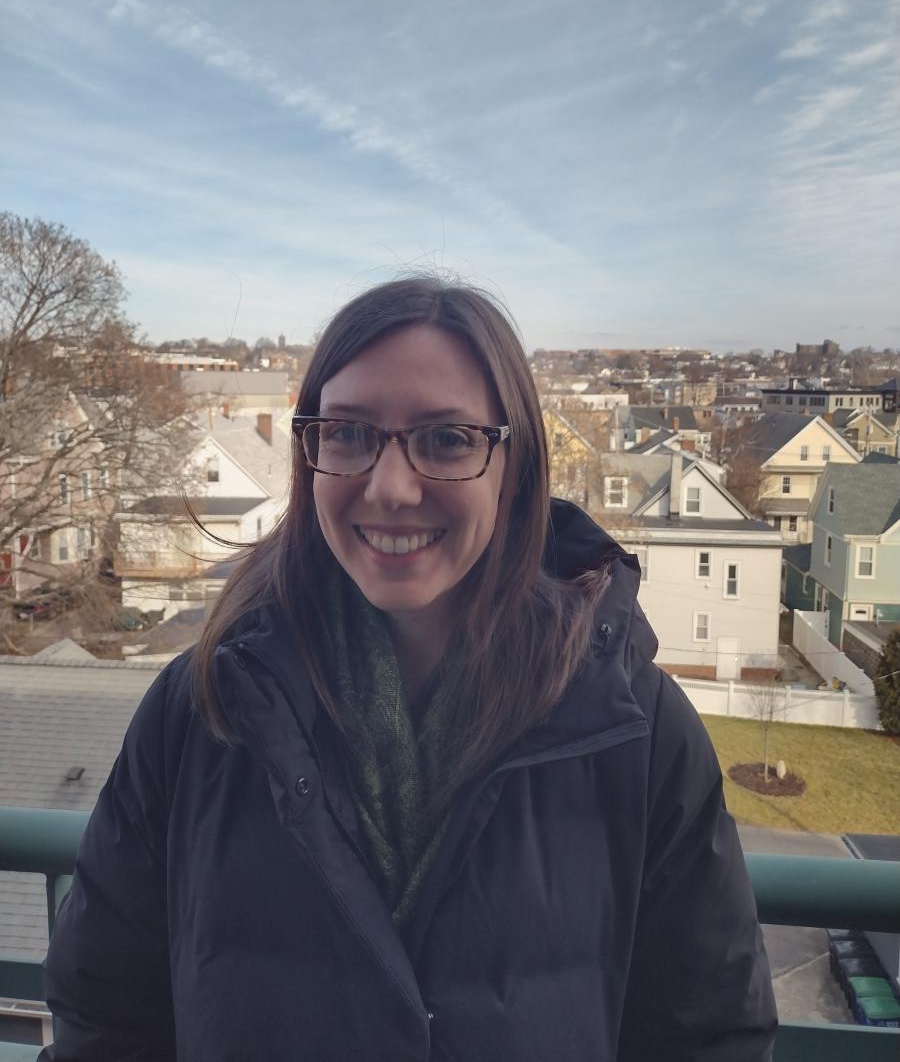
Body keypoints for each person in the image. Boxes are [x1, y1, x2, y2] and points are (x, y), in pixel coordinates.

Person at [41, 276, 777, 1061]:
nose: (390, 488)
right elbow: (107, 1020)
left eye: (447, 439)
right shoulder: (200, 713)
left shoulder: (635, 731)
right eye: (349, 434)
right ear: (309, 453)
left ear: (515, 466)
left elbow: (707, 1036)